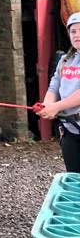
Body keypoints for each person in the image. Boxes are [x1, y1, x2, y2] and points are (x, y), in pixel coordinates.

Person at [38, 11, 80, 171]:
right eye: (73, 31)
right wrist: (47, 105)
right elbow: (54, 86)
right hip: (69, 128)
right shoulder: (65, 60)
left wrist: (57, 107)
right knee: (74, 177)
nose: (77, 35)